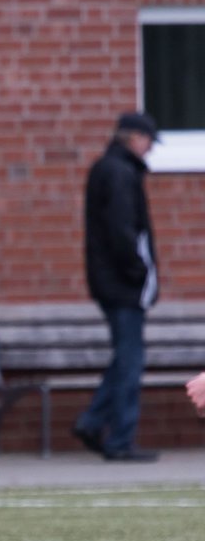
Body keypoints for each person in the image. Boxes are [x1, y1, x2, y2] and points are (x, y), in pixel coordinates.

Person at [72, 111, 161, 462]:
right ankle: (119, 438)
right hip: (123, 284)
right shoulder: (120, 172)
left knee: (126, 359)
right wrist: (138, 272)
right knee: (130, 362)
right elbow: (123, 231)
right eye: (149, 141)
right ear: (134, 137)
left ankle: (93, 422)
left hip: (113, 281)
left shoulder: (108, 168)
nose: (150, 149)